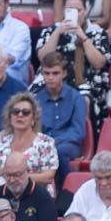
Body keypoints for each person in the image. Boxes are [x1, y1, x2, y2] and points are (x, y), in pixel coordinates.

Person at [33, 0, 110, 134]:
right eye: (69, 10)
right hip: (51, 78)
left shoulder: (97, 33)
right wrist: (57, 32)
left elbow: (99, 63)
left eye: (78, 10)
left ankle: (82, 142)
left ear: (85, 11)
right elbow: (43, 58)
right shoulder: (51, 31)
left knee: (85, 99)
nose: (74, 14)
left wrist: (83, 37)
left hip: (86, 81)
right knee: (32, 96)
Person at [0, 92, 59, 197]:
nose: (20, 115)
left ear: (33, 119)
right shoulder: (1, 140)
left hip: (34, 191)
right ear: (10, 117)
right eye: (15, 112)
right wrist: (12, 176)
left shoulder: (46, 142)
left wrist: (15, 177)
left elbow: (47, 177)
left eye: (26, 112)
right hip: (2, 189)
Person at [33, 53, 86, 193]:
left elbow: (78, 131)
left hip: (68, 145)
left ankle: (65, 194)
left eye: (55, 73)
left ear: (64, 73)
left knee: (58, 152)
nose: (50, 78)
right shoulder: (36, 99)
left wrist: (52, 142)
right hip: (42, 144)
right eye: (46, 73)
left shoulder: (76, 98)